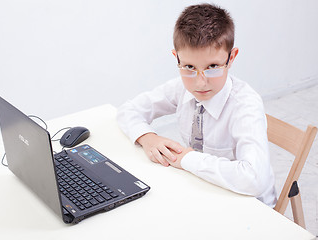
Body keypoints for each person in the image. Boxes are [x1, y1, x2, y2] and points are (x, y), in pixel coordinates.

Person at [116, 3, 277, 207]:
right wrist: (147, 137)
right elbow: (128, 110)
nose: (200, 82)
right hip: (201, 189)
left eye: (212, 67)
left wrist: (187, 159)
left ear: (231, 57)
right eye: (189, 67)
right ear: (177, 58)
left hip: (248, 204)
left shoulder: (245, 104)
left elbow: (254, 180)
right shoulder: (180, 88)